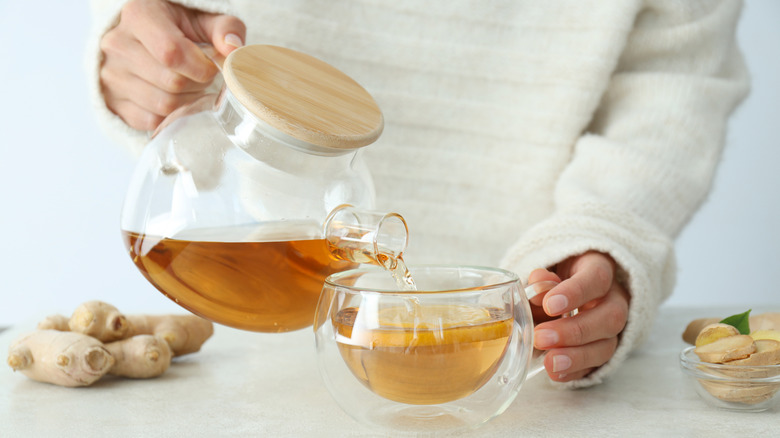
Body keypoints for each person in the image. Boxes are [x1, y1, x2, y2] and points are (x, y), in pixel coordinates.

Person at [88, 0, 749, 387]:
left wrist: (602, 233)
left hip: (531, 358)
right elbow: (151, 34)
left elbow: (675, 77)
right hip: (242, 351)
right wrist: (144, 69)